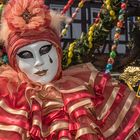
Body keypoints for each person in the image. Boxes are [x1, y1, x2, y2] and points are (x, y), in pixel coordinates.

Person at [0, 0, 139, 140]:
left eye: (45, 50)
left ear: (58, 51)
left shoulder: (90, 91)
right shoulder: (7, 103)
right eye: (26, 55)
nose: (39, 62)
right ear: (14, 62)